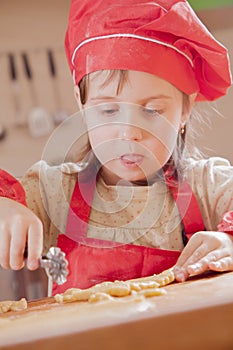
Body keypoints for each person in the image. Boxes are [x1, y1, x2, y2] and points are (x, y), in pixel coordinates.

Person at [0, 0, 233, 295]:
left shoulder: (207, 187)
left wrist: (228, 241)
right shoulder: (52, 192)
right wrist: (5, 207)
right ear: (81, 104)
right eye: (108, 111)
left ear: (185, 107)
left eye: (152, 111)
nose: (129, 133)